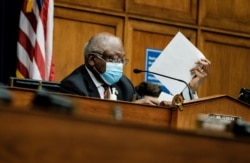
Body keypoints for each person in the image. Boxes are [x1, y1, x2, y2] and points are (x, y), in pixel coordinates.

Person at [60, 32, 211, 106]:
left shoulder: (124, 84)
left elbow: (147, 104)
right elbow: (83, 125)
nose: (119, 65)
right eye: (113, 59)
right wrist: (130, 109)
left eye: (122, 59)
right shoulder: (73, 86)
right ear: (92, 59)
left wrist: (189, 87)